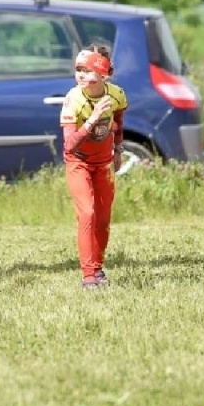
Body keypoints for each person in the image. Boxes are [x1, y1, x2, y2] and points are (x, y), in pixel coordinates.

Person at [61, 45, 127, 289]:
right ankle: (88, 275)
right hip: (78, 162)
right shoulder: (73, 99)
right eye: (78, 69)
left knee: (103, 218)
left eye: (86, 69)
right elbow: (69, 145)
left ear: (103, 73)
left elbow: (119, 119)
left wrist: (118, 149)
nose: (80, 75)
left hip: (104, 164)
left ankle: (98, 268)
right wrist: (92, 119)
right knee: (87, 213)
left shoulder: (117, 94)